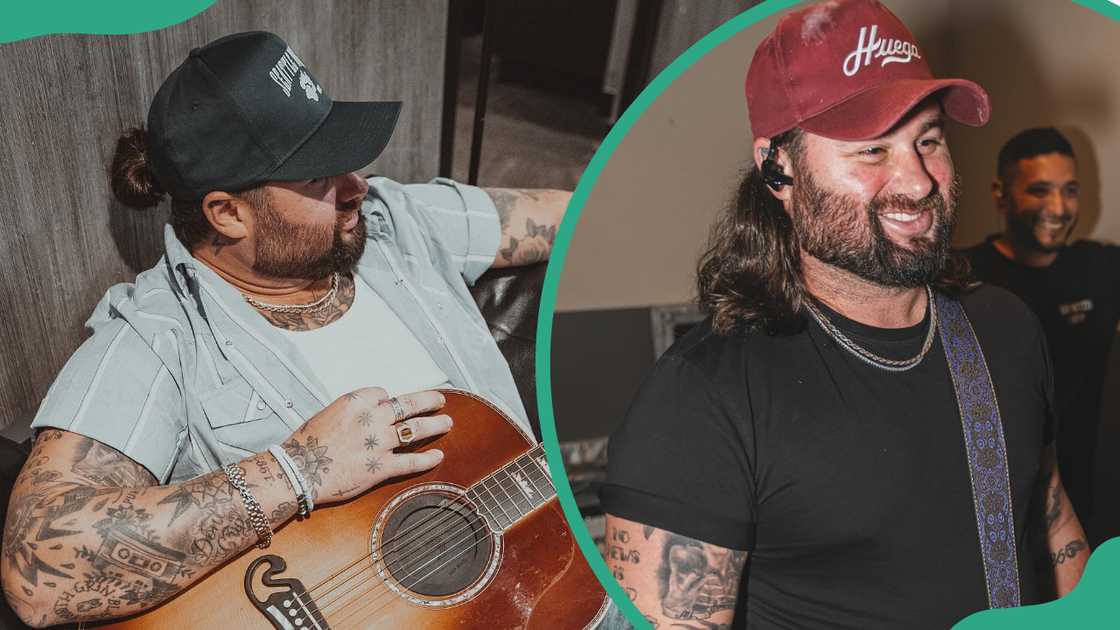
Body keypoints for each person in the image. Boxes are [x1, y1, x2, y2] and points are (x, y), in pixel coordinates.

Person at [1, 31, 569, 628]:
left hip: (540, 565)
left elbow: (576, 215)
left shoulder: (393, 222)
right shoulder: (159, 336)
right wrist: (298, 471)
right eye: (318, 177)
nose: (357, 186)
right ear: (228, 213)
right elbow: (37, 571)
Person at [599, 1, 1088, 628]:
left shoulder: (1007, 325)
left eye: (929, 140)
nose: (917, 182)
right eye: (871, 150)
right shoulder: (703, 397)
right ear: (779, 169)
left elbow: (1048, 511)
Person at [965, 127, 1115, 534]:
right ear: (1000, 194)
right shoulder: (962, 278)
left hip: (1091, 503)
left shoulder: (1099, 268)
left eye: (1070, 190)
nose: (1059, 207)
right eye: (1040, 191)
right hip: (1000, 510)